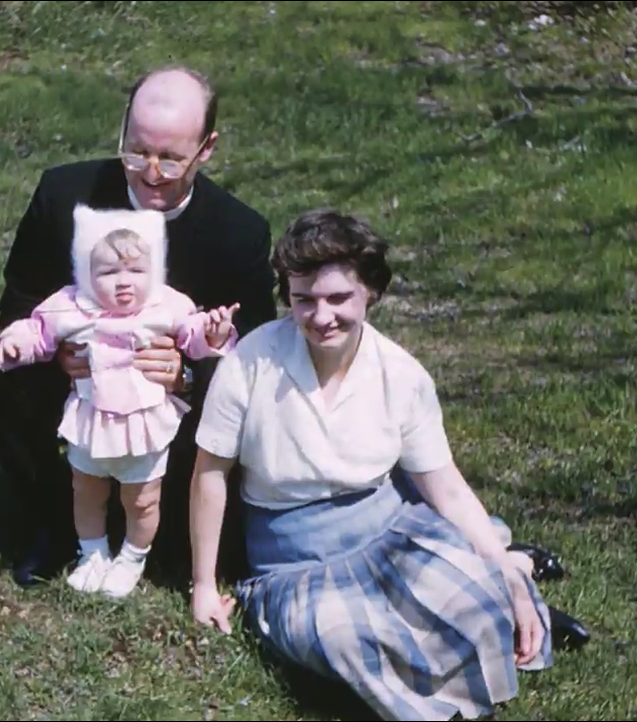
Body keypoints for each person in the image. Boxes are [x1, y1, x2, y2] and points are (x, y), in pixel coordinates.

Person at [188, 209, 586, 721]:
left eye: (338, 298)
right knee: (350, 641)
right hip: (293, 565)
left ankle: (517, 566)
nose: (320, 315)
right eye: (303, 298)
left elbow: (444, 486)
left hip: (389, 535)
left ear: (370, 292)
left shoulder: (400, 372)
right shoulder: (250, 362)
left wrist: (505, 576)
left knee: (485, 605)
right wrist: (203, 585)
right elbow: (210, 474)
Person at [0, 64, 280, 588]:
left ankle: (166, 524)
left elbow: (256, 352)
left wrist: (187, 376)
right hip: (76, 372)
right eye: (137, 152)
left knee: (227, 417)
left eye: (172, 158)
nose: (151, 172)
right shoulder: (64, 193)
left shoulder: (238, 231)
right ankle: (55, 518)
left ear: (207, 149)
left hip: (169, 400)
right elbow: (19, 301)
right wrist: (58, 351)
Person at [0, 203, 241, 598]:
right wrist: (16, 344)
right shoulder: (70, 305)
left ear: (154, 272)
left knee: (142, 499)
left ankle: (132, 556)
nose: (124, 283)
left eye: (136, 271)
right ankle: (92, 553)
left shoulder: (167, 305)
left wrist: (212, 332)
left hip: (144, 422)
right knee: (86, 490)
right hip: (91, 420)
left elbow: (192, 335)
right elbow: (37, 330)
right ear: (87, 274)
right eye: (108, 272)